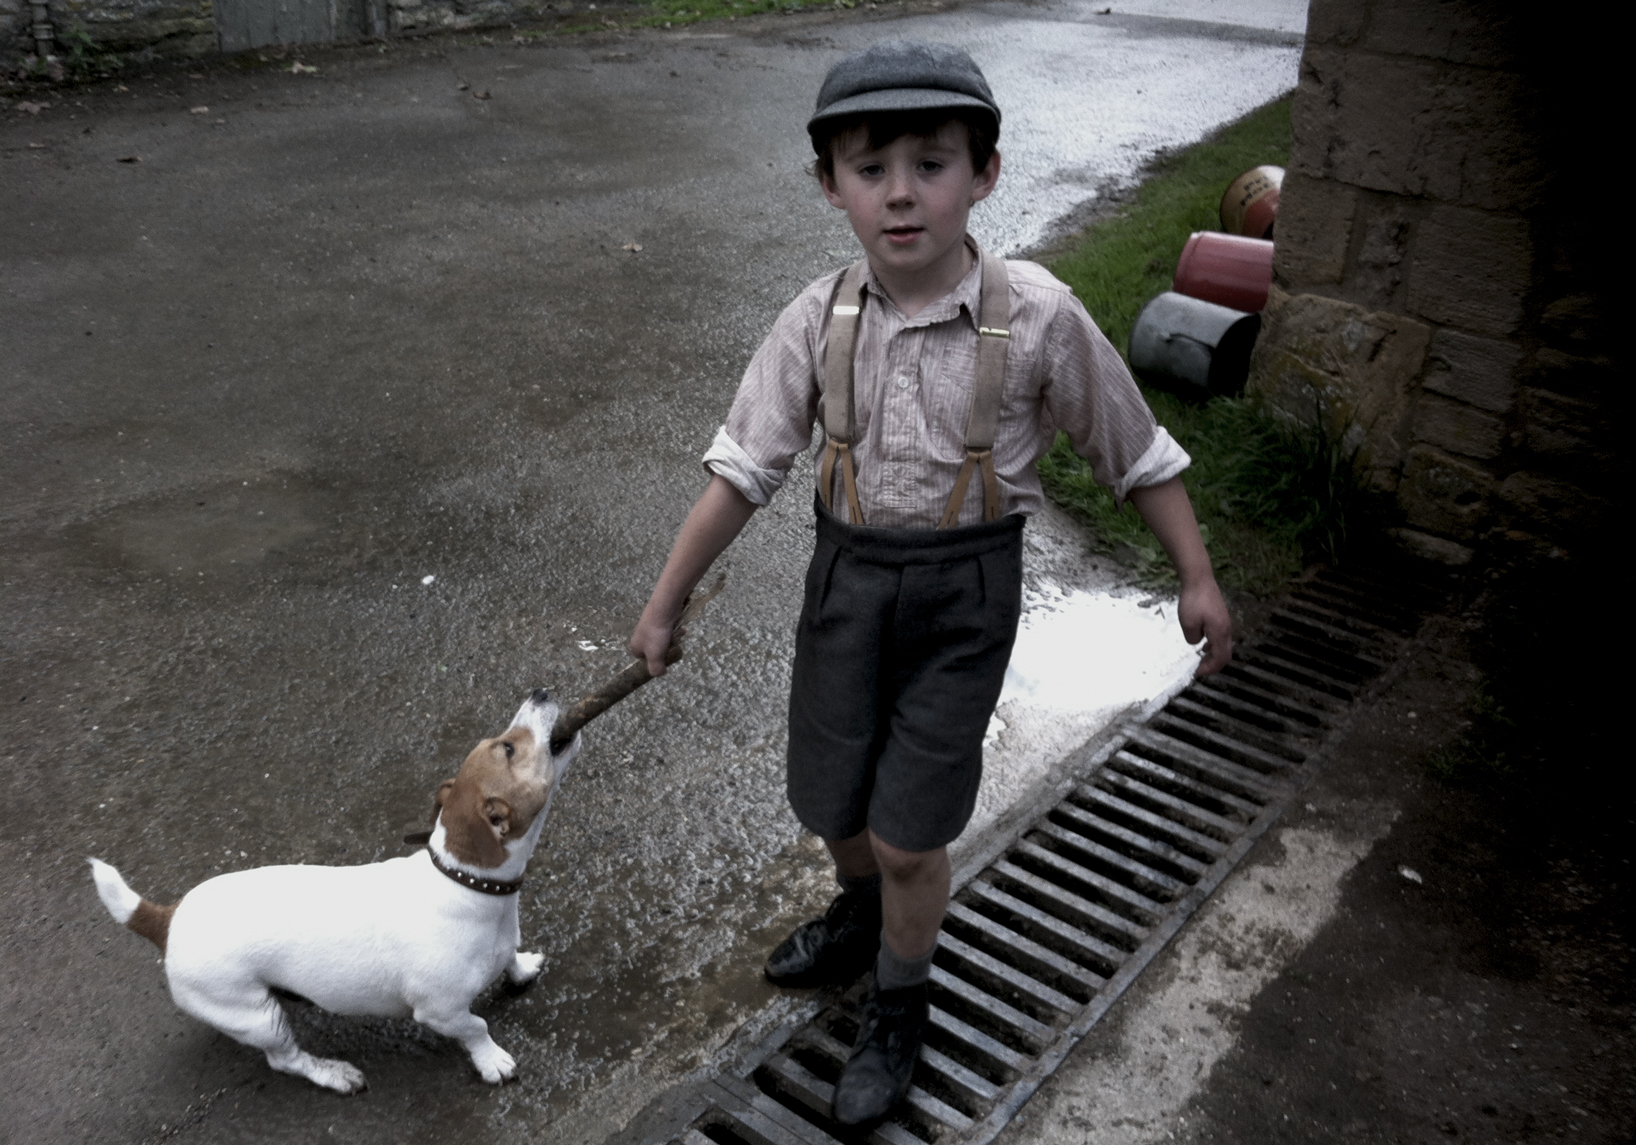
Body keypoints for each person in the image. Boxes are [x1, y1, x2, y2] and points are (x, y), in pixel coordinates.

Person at [629, 38, 1233, 1126]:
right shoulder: (816, 319)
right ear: (830, 187)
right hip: (845, 585)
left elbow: (1134, 450)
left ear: (984, 173)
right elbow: (743, 469)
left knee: (913, 831)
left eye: (932, 161)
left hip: (965, 599)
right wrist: (664, 602)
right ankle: (861, 911)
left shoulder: (1040, 316)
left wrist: (1195, 574)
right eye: (870, 168)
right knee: (832, 797)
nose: (901, 192)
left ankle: (900, 1003)